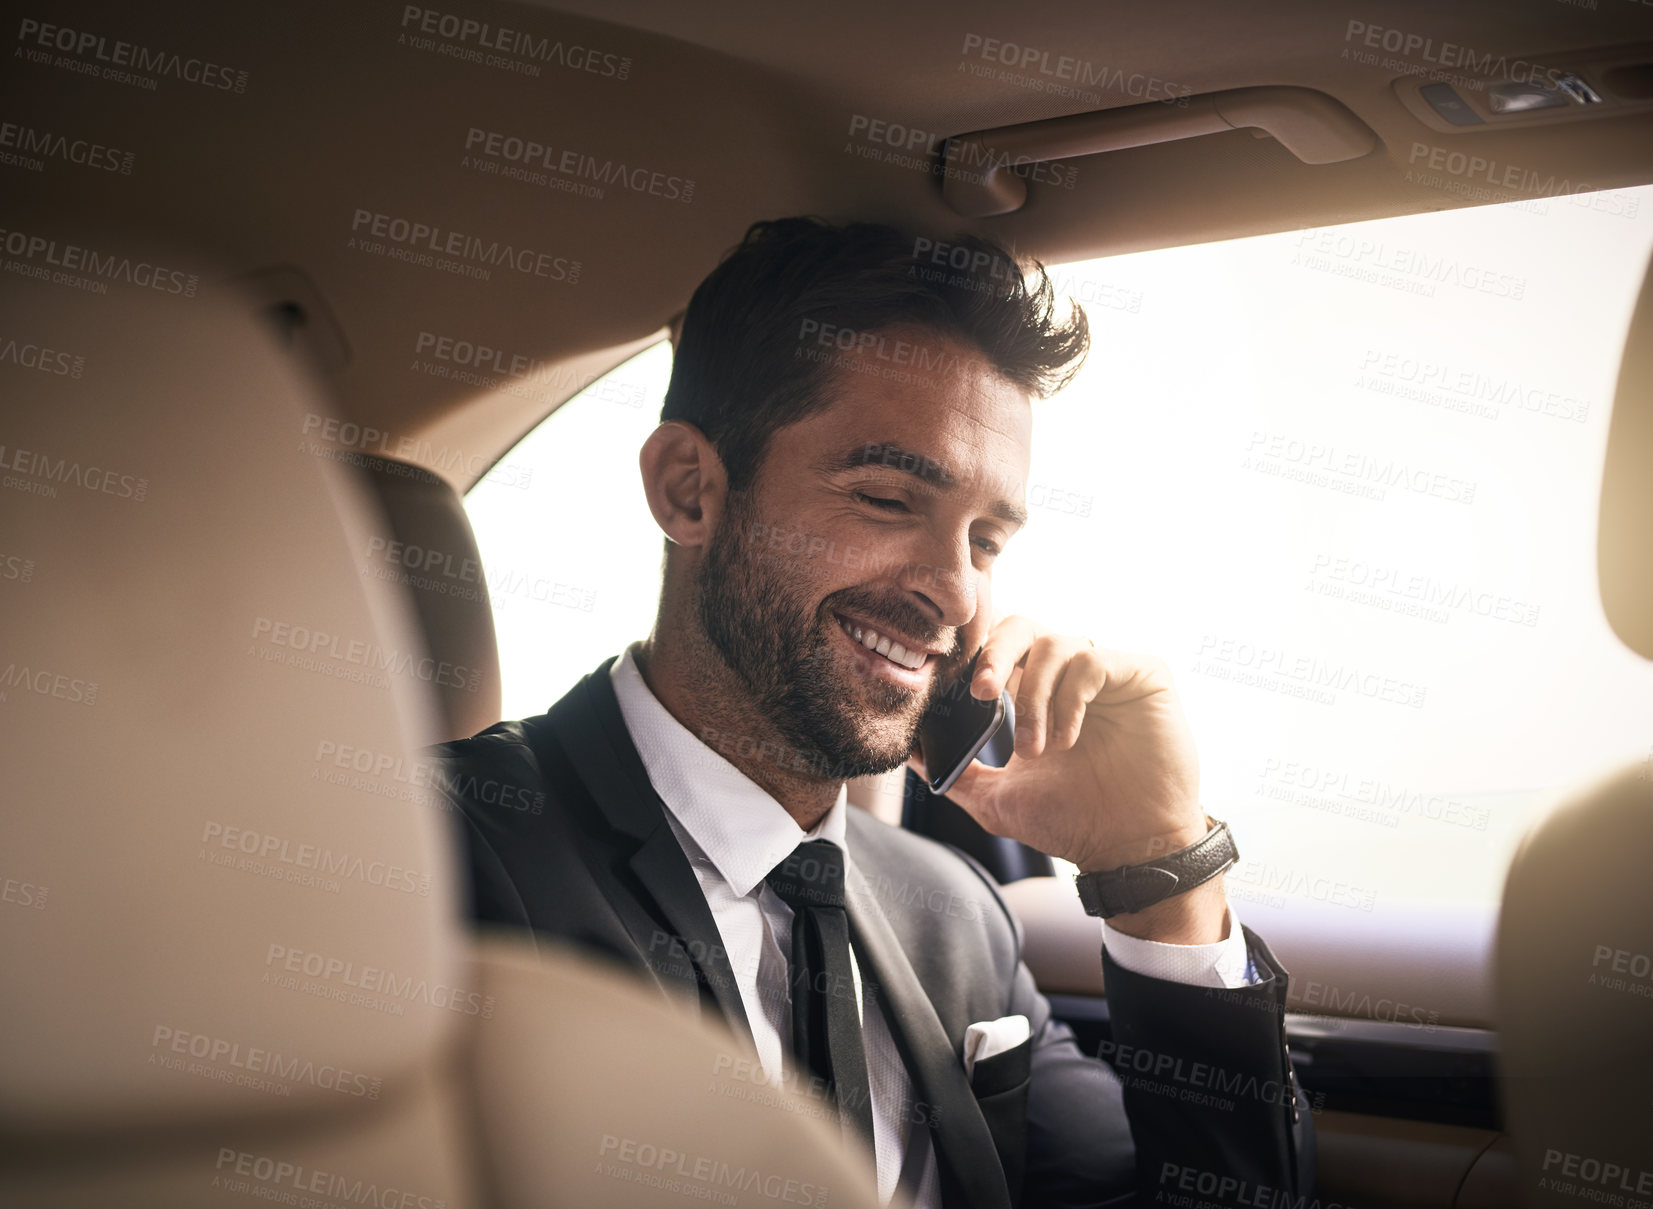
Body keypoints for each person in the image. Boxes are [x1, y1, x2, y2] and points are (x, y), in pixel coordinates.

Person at [435, 217, 1314, 1209]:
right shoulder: (433, 852)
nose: (954, 593)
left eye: (985, 538)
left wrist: (1160, 870)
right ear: (689, 491)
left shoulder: (953, 916)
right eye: (891, 500)